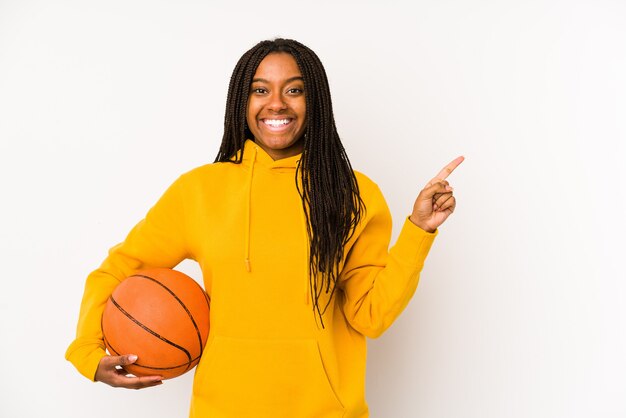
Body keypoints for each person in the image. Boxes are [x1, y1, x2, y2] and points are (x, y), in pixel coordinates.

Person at [66, 38, 463, 417]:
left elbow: (371, 316)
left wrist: (418, 230)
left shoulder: (351, 193)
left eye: (294, 90)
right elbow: (119, 269)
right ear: (242, 101)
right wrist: (89, 352)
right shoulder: (200, 191)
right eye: (260, 90)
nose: (276, 104)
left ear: (315, 103)